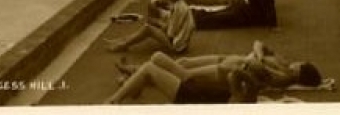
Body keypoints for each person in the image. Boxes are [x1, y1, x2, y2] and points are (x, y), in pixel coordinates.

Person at [106, 40, 322, 104]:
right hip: (228, 60)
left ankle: (135, 77)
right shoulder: (283, 64)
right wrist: (259, 54)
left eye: (300, 65)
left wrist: (258, 58)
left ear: (300, 71)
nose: (296, 63)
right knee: (183, 62)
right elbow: (259, 43)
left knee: (176, 69)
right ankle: (135, 78)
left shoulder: (283, 77)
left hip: (225, 70)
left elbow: (257, 69)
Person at [106, 0, 195, 53]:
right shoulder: (180, 5)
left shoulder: (178, 8)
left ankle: (123, 44)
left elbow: (170, 33)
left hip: (177, 45)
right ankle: (123, 40)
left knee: (148, 29)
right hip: (180, 40)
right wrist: (157, 10)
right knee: (152, 13)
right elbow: (171, 18)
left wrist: (158, 23)